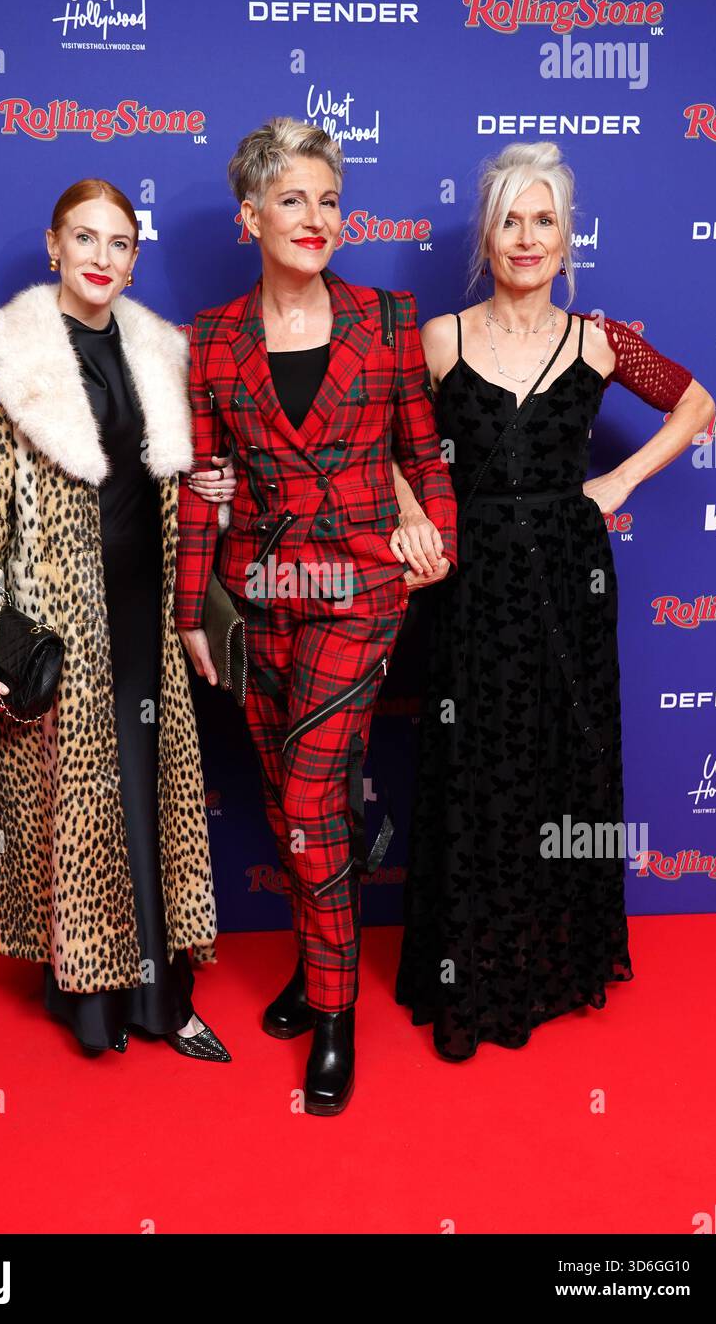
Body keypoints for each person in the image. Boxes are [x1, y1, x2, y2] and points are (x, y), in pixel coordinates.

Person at [395, 141, 715, 1061]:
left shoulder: (599, 340)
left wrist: (617, 481)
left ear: (567, 237)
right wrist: (418, 514)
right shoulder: (442, 338)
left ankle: (553, 960)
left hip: (568, 580)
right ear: (486, 236)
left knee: (558, 763)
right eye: (509, 220)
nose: (526, 238)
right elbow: (382, 443)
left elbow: (695, 404)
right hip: (474, 575)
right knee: (476, 764)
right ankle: (471, 966)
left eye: (544, 220)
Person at [0, 178, 230, 1060]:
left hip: (148, 616)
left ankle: (163, 1002)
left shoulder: (162, 354)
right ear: (53, 246)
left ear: (135, 255)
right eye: (83, 239)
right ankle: (90, 1002)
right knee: (80, 806)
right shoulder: (7, 359)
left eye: (119, 242)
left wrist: (216, 493)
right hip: (61, 620)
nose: (100, 258)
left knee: (147, 800)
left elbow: (180, 487)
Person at [175, 117, 457, 1113]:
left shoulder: (385, 320)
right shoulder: (211, 340)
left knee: (306, 800)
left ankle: (333, 1017)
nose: (314, 218)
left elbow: (424, 459)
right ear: (251, 215)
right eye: (291, 199)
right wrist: (190, 615)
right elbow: (205, 487)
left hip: (358, 594)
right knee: (297, 802)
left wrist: (437, 538)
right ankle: (313, 961)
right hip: (254, 600)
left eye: (328, 200)